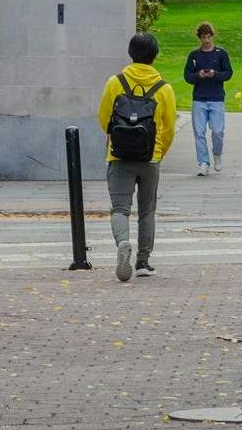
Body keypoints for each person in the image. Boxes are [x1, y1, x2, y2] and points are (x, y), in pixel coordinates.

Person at [97, 33, 177, 282]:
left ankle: (123, 243)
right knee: (147, 211)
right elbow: (169, 126)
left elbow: (103, 117)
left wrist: (113, 137)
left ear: (131, 53)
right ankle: (143, 261)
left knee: (120, 209)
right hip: (150, 157)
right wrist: (159, 152)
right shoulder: (164, 88)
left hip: (119, 155)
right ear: (155, 55)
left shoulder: (115, 82)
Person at [183, 22, 233, 177]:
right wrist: (199, 75)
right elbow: (187, 76)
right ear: (200, 38)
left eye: (209, 37)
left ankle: (217, 153)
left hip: (216, 97)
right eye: (204, 37)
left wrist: (215, 74)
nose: (207, 40)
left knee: (217, 131)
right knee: (199, 132)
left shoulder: (221, 54)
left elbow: (228, 73)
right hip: (199, 98)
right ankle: (203, 162)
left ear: (212, 36)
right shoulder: (194, 56)